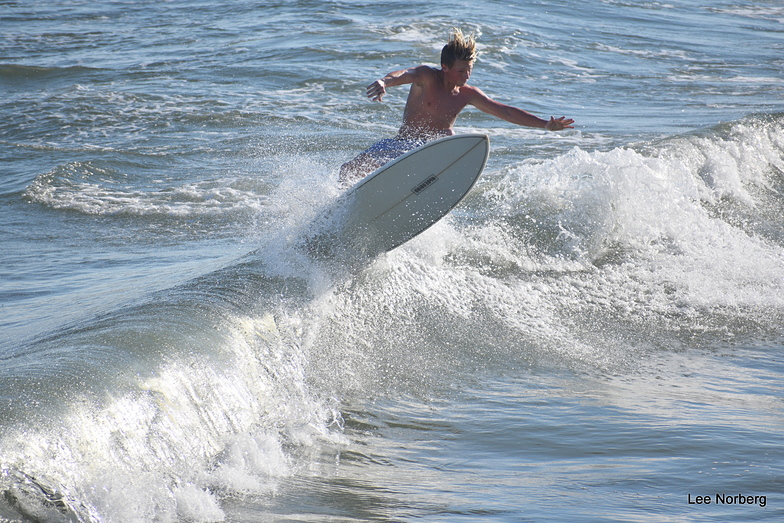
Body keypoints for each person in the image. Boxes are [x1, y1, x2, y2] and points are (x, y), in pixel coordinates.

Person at [339, 28, 575, 185]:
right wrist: (384, 82)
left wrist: (545, 124)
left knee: (446, 135)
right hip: (404, 145)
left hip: (435, 150)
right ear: (444, 67)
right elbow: (403, 74)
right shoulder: (426, 77)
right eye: (461, 70)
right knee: (348, 171)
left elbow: (504, 111)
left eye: (470, 69)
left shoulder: (467, 94)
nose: (467, 75)